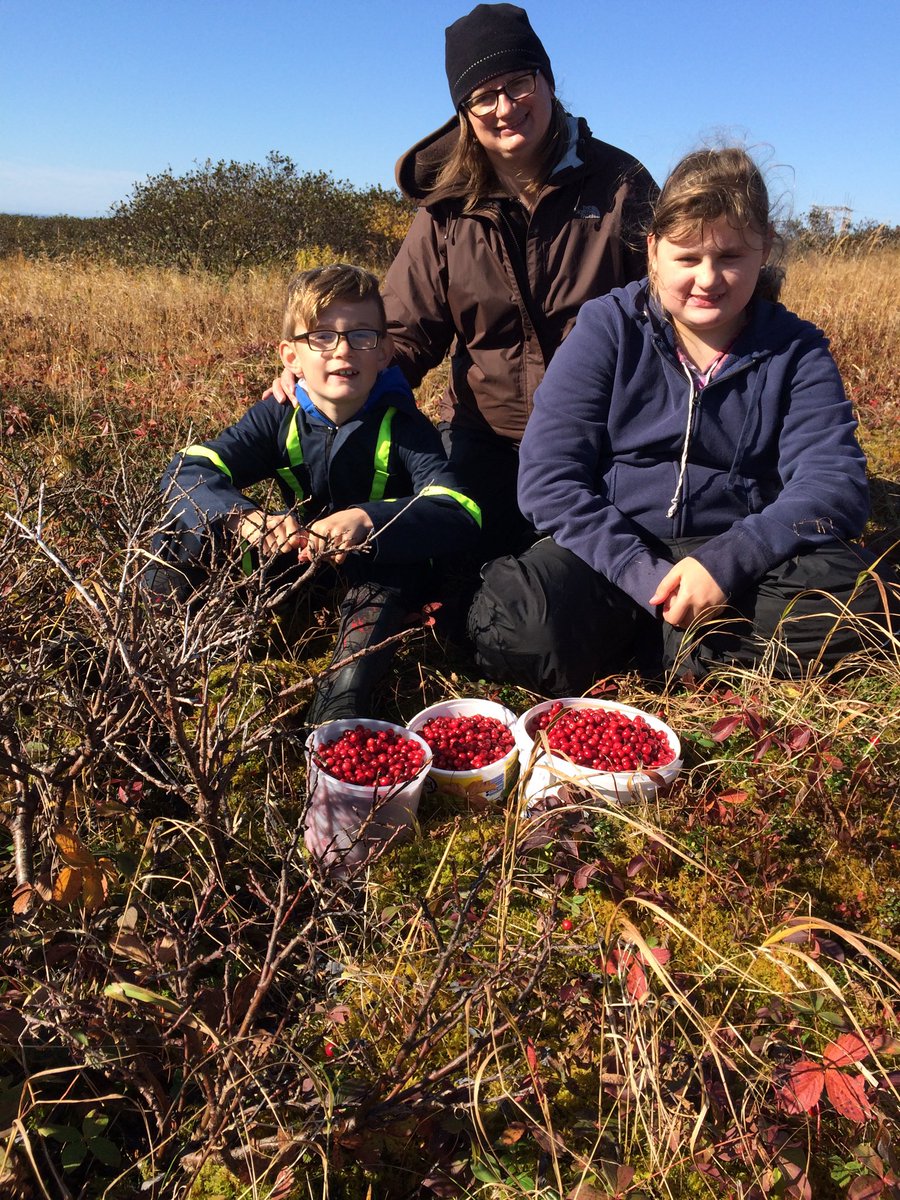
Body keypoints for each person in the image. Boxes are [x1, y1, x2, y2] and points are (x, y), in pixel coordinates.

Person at [467, 147, 897, 694]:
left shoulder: (797, 349)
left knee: (868, 602)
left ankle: (654, 647)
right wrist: (641, 574)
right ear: (652, 251)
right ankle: (690, 645)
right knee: (514, 619)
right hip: (613, 558)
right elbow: (549, 479)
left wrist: (727, 562)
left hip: (742, 573)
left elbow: (834, 485)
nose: (708, 279)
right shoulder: (607, 327)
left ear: (764, 250)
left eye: (731, 256)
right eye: (687, 257)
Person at [272, 3, 657, 562]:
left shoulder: (622, 185)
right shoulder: (446, 211)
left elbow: (677, 314)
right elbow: (401, 333)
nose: (505, 107)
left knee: (565, 591)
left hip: (606, 442)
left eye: (518, 83)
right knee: (432, 564)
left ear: (546, 81)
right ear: (463, 112)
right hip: (486, 442)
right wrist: (320, 372)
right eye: (483, 95)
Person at [152, 264, 481, 722]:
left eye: (362, 336)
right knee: (183, 526)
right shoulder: (276, 416)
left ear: (385, 351)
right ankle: (151, 659)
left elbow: (459, 508)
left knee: (390, 579)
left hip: (374, 568)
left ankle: (336, 712)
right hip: (292, 559)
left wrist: (368, 520)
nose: (343, 349)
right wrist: (243, 517)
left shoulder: (405, 426)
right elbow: (186, 469)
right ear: (290, 356)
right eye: (322, 337)